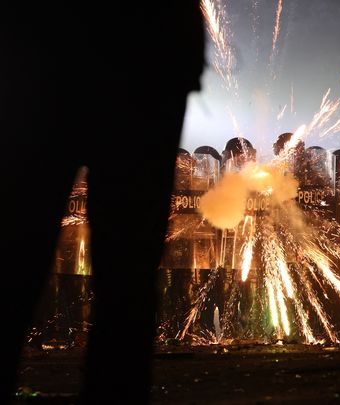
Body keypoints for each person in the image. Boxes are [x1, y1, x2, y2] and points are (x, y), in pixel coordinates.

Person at [1, 1, 205, 403]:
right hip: (147, 55)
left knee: (16, 242)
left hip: (45, 46)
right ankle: (117, 389)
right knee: (129, 259)